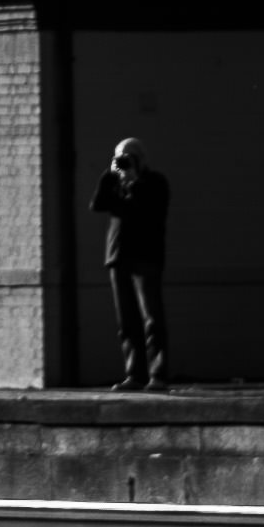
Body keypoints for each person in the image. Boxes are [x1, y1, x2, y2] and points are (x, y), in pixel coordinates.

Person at [92, 137, 172, 390]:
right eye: (119, 157)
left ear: (141, 158)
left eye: (127, 157)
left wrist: (135, 179)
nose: (123, 162)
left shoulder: (155, 183)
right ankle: (134, 375)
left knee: (151, 319)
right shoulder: (115, 184)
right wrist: (110, 174)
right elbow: (97, 204)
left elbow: (146, 209)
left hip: (146, 256)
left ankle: (158, 375)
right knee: (126, 321)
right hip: (118, 256)